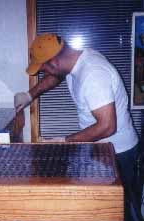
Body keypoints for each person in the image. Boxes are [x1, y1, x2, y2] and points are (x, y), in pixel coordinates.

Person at [14, 33, 139, 199]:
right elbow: (56, 76)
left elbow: (107, 126)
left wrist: (66, 141)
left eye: (45, 69)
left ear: (55, 62)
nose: (46, 73)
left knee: (121, 215)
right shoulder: (75, 61)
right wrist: (29, 95)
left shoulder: (93, 74)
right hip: (101, 147)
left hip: (119, 153)